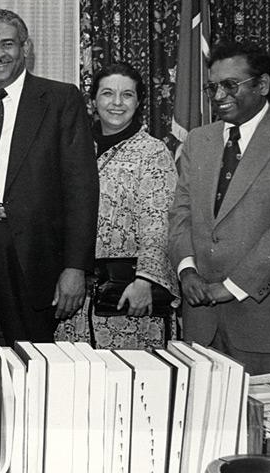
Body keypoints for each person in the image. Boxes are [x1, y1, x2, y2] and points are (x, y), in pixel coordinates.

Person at [0, 9, 99, 379]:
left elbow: (81, 188)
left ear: (25, 47)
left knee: (32, 364)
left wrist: (75, 267)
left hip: (26, 249)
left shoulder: (59, 99)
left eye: (7, 44)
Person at [168, 41, 270, 377]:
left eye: (230, 85)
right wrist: (187, 271)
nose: (219, 95)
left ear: (262, 85)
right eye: (213, 87)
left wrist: (232, 286)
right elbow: (180, 214)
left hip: (264, 321)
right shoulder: (198, 140)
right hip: (200, 324)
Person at [55, 63, 179, 349]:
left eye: (127, 95)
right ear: (93, 101)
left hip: (127, 292)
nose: (117, 103)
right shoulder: (73, 147)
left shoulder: (152, 151)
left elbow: (159, 221)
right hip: (75, 294)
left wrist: (146, 280)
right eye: (108, 93)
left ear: (139, 102)